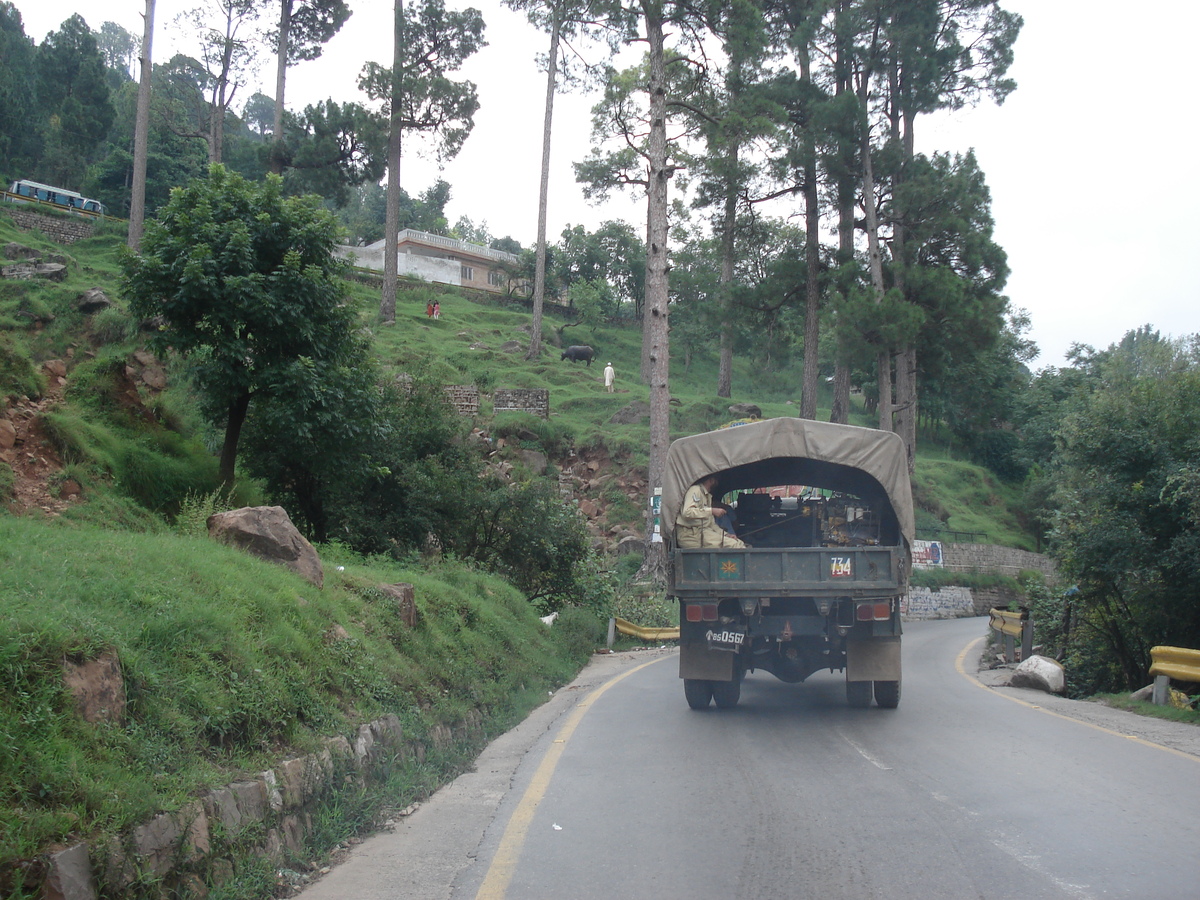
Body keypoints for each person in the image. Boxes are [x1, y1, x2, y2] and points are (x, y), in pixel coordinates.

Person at [675, 474, 747, 549]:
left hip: (702, 532)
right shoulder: (695, 490)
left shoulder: (706, 496)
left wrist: (726, 535)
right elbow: (687, 512)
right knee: (735, 546)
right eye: (715, 480)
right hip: (690, 535)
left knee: (738, 542)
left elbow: (711, 524)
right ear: (711, 480)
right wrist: (712, 511)